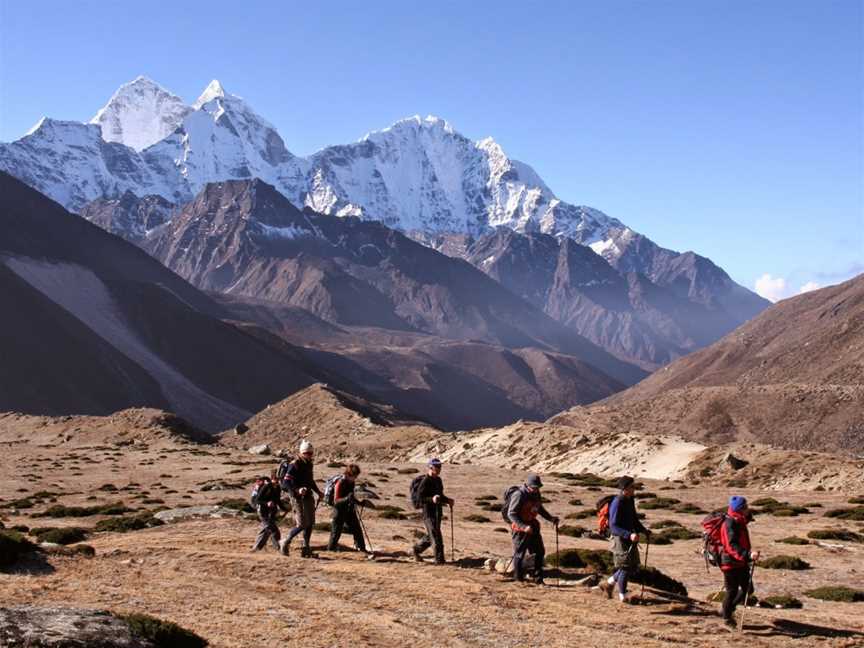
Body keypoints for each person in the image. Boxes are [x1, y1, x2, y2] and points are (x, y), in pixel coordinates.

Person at [599, 476, 651, 602]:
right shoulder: (618, 502)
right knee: (625, 567)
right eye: (632, 487)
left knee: (632, 567)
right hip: (619, 539)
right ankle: (623, 597)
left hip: (629, 537)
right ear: (625, 489)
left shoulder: (630, 500)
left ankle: (609, 583)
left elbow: (634, 519)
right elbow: (614, 526)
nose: (634, 489)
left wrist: (643, 530)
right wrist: (629, 535)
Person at [506, 473, 559, 585]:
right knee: (520, 554)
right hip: (520, 529)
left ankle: (538, 579)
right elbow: (511, 514)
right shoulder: (519, 495)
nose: (536, 489)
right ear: (528, 485)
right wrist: (523, 527)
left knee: (539, 552)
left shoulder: (536, 494)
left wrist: (551, 518)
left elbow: (539, 508)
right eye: (534, 487)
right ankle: (518, 579)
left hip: (533, 526)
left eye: (538, 487)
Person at [719, 495, 760, 630]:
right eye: (745, 507)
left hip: (741, 562)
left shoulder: (738, 520)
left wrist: (747, 556)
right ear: (740, 509)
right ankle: (726, 617)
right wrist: (748, 555)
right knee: (731, 591)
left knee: (748, 589)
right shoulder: (729, 523)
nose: (747, 509)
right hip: (730, 563)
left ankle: (728, 609)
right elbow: (731, 546)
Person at [280, 440, 323, 558]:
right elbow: (286, 481)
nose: (309, 455)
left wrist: (318, 492)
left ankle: (306, 548)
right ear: (301, 452)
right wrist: (297, 490)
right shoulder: (295, 464)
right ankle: (285, 541)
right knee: (302, 523)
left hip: (308, 495)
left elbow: (310, 480)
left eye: (310, 453)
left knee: (310, 523)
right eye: (306, 453)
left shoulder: (309, 464)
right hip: (296, 497)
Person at [412, 458, 454, 564]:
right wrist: (432, 499)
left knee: (433, 534)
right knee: (436, 535)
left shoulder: (438, 480)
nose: (439, 468)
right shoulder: (425, 481)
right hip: (428, 513)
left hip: (437, 511)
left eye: (440, 466)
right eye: (437, 466)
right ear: (430, 467)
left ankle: (416, 549)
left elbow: (440, 496)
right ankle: (439, 560)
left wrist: (447, 500)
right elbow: (420, 498)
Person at [327, 464, 373, 557]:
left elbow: (351, 497)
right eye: (354, 476)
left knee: (357, 529)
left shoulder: (351, 482)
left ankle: (362, 549)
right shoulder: (340, 482)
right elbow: (336, 500)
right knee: (336, 531)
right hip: (338, 510)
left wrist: (360, 503)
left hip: (348, 508)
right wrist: (347, 499)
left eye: (356, 476)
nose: (355, 478)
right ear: (349, 474)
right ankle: (331, 550)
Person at [251, 469, 288, 552]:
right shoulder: (266, 487)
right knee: (272, 529)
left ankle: (258, 548)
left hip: (271, 511)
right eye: (276, 479)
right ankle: (278, 547)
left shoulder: (278, 488)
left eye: (279, 479)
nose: (278, 481)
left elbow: (277, 500)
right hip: (263, 511)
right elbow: (258, 500)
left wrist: (285, 509)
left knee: (266, 528)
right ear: (272, 479)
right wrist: (266, 503)